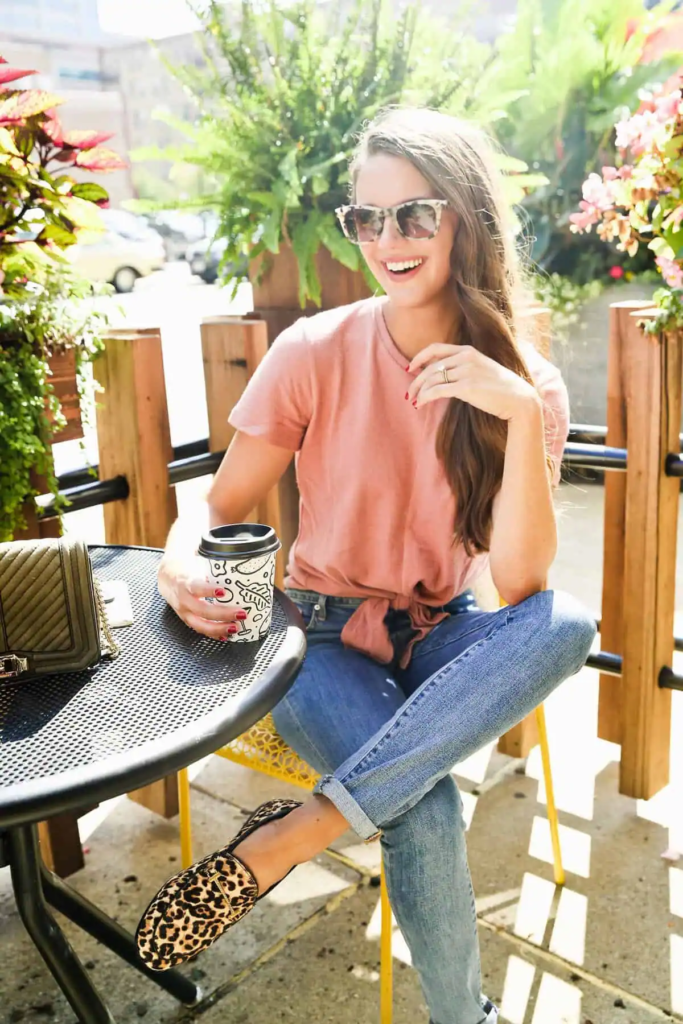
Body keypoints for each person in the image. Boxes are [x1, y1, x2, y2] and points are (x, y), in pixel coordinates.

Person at [135, 107, 597, 1024]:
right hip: (313, 633)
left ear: (466, 219)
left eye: (415, 215)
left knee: (571, 625)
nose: (388, 239)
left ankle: (300, 831)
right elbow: (218, 510)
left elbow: (523, 588)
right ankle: (464, 1019)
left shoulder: (525, 385)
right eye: (368, 218)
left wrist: (511, 415)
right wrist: (173, 566)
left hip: (441, 629)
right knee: (419, 810)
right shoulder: (314, 350)